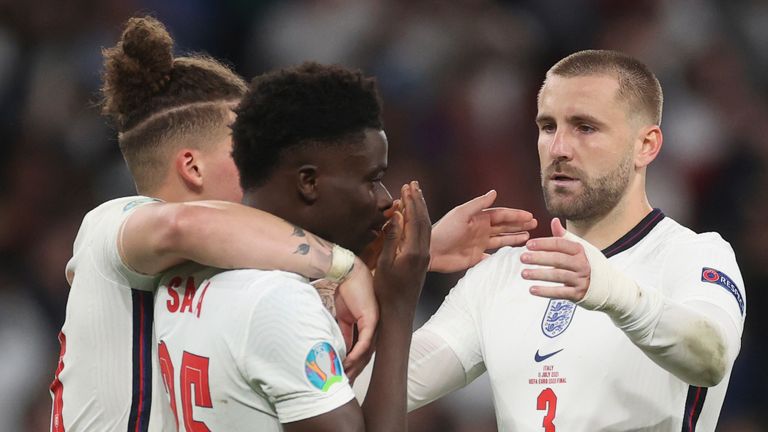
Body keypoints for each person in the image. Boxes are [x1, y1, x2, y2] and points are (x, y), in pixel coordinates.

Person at [51, 16, 536, 432]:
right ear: (192, 168)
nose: (259, 164)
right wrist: (348, 268)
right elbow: (182, 225)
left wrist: (392, 260)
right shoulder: (112, 223)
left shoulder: (200, 278)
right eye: (242, 150)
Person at [393, 50, 745, 431]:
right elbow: (360, 394)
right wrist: (394, 262)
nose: (559, 148)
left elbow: (712, 356)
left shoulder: (693, 256)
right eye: (548, 127)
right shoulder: (500, 275)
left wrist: (613, 293)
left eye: (585, 127)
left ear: (646, 145)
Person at [154, 62, 430, 431]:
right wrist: (399, 306)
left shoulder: (181, 274)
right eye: (372, 179)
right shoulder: (281, 300)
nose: (384, 200)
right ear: (309, 182)